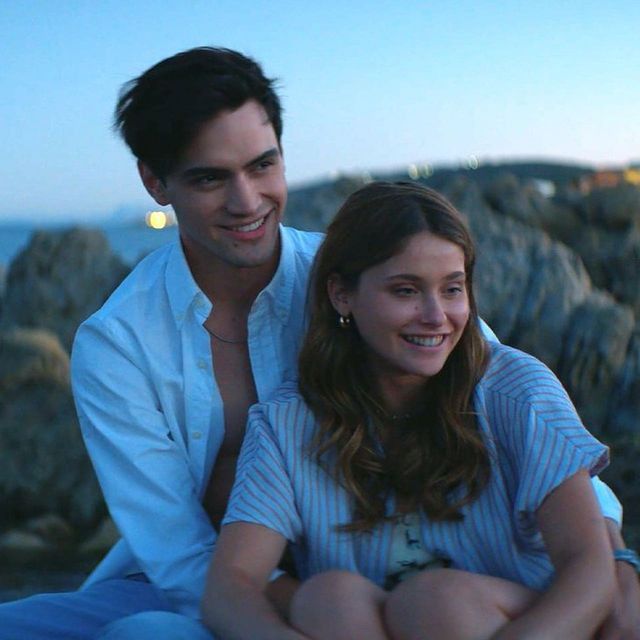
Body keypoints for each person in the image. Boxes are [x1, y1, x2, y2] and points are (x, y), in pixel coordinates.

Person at [0, 47, 635, 639]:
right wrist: (285, 603)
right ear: (156, 183)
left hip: (396, 582)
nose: (246, 201)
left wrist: (615, 562)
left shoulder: (362, 275)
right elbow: (183, 556)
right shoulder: (119, 345)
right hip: (251, 584)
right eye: (208, 179)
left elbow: (499, 388)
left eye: (262, 165)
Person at [203, 181, 640, 640]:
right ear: (341, 294)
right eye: (406, 290)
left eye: (452, 289)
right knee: (328, 598)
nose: (436, 316)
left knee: (434, 603)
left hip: (528, 625)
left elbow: (591, 571)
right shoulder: (286, 424)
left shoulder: (516, 391)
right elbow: (230, 587)